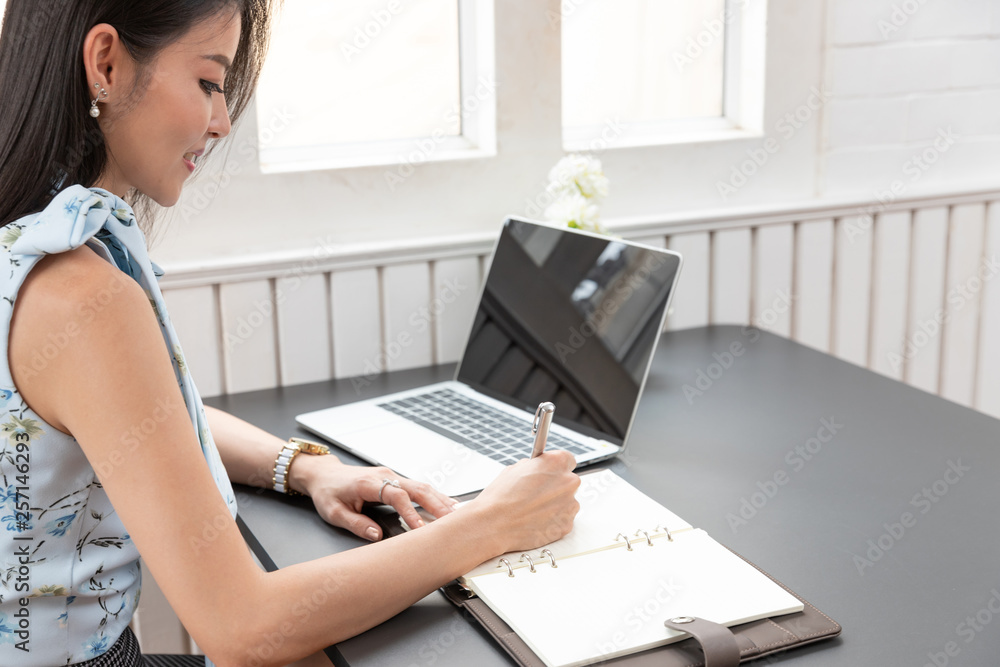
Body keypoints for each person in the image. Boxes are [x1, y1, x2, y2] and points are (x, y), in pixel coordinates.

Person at [0, 2, 581, 666]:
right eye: (209, 82)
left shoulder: (30, 242)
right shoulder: (82, 296)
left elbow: (139, 419)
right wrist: (492, 522)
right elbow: (242, 625)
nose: (220, 122)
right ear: (105, 63)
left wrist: (304, 467)